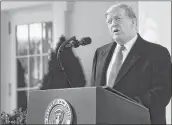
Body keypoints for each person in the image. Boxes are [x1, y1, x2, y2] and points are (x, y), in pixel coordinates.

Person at [91, 3, 171, 124]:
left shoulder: (157, 53)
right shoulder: (100, 53)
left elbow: (162, 93)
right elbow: (95, 90)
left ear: (133, 22)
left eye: (118, 18)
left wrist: (123, 106)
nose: (113, 23)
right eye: (109, 21)